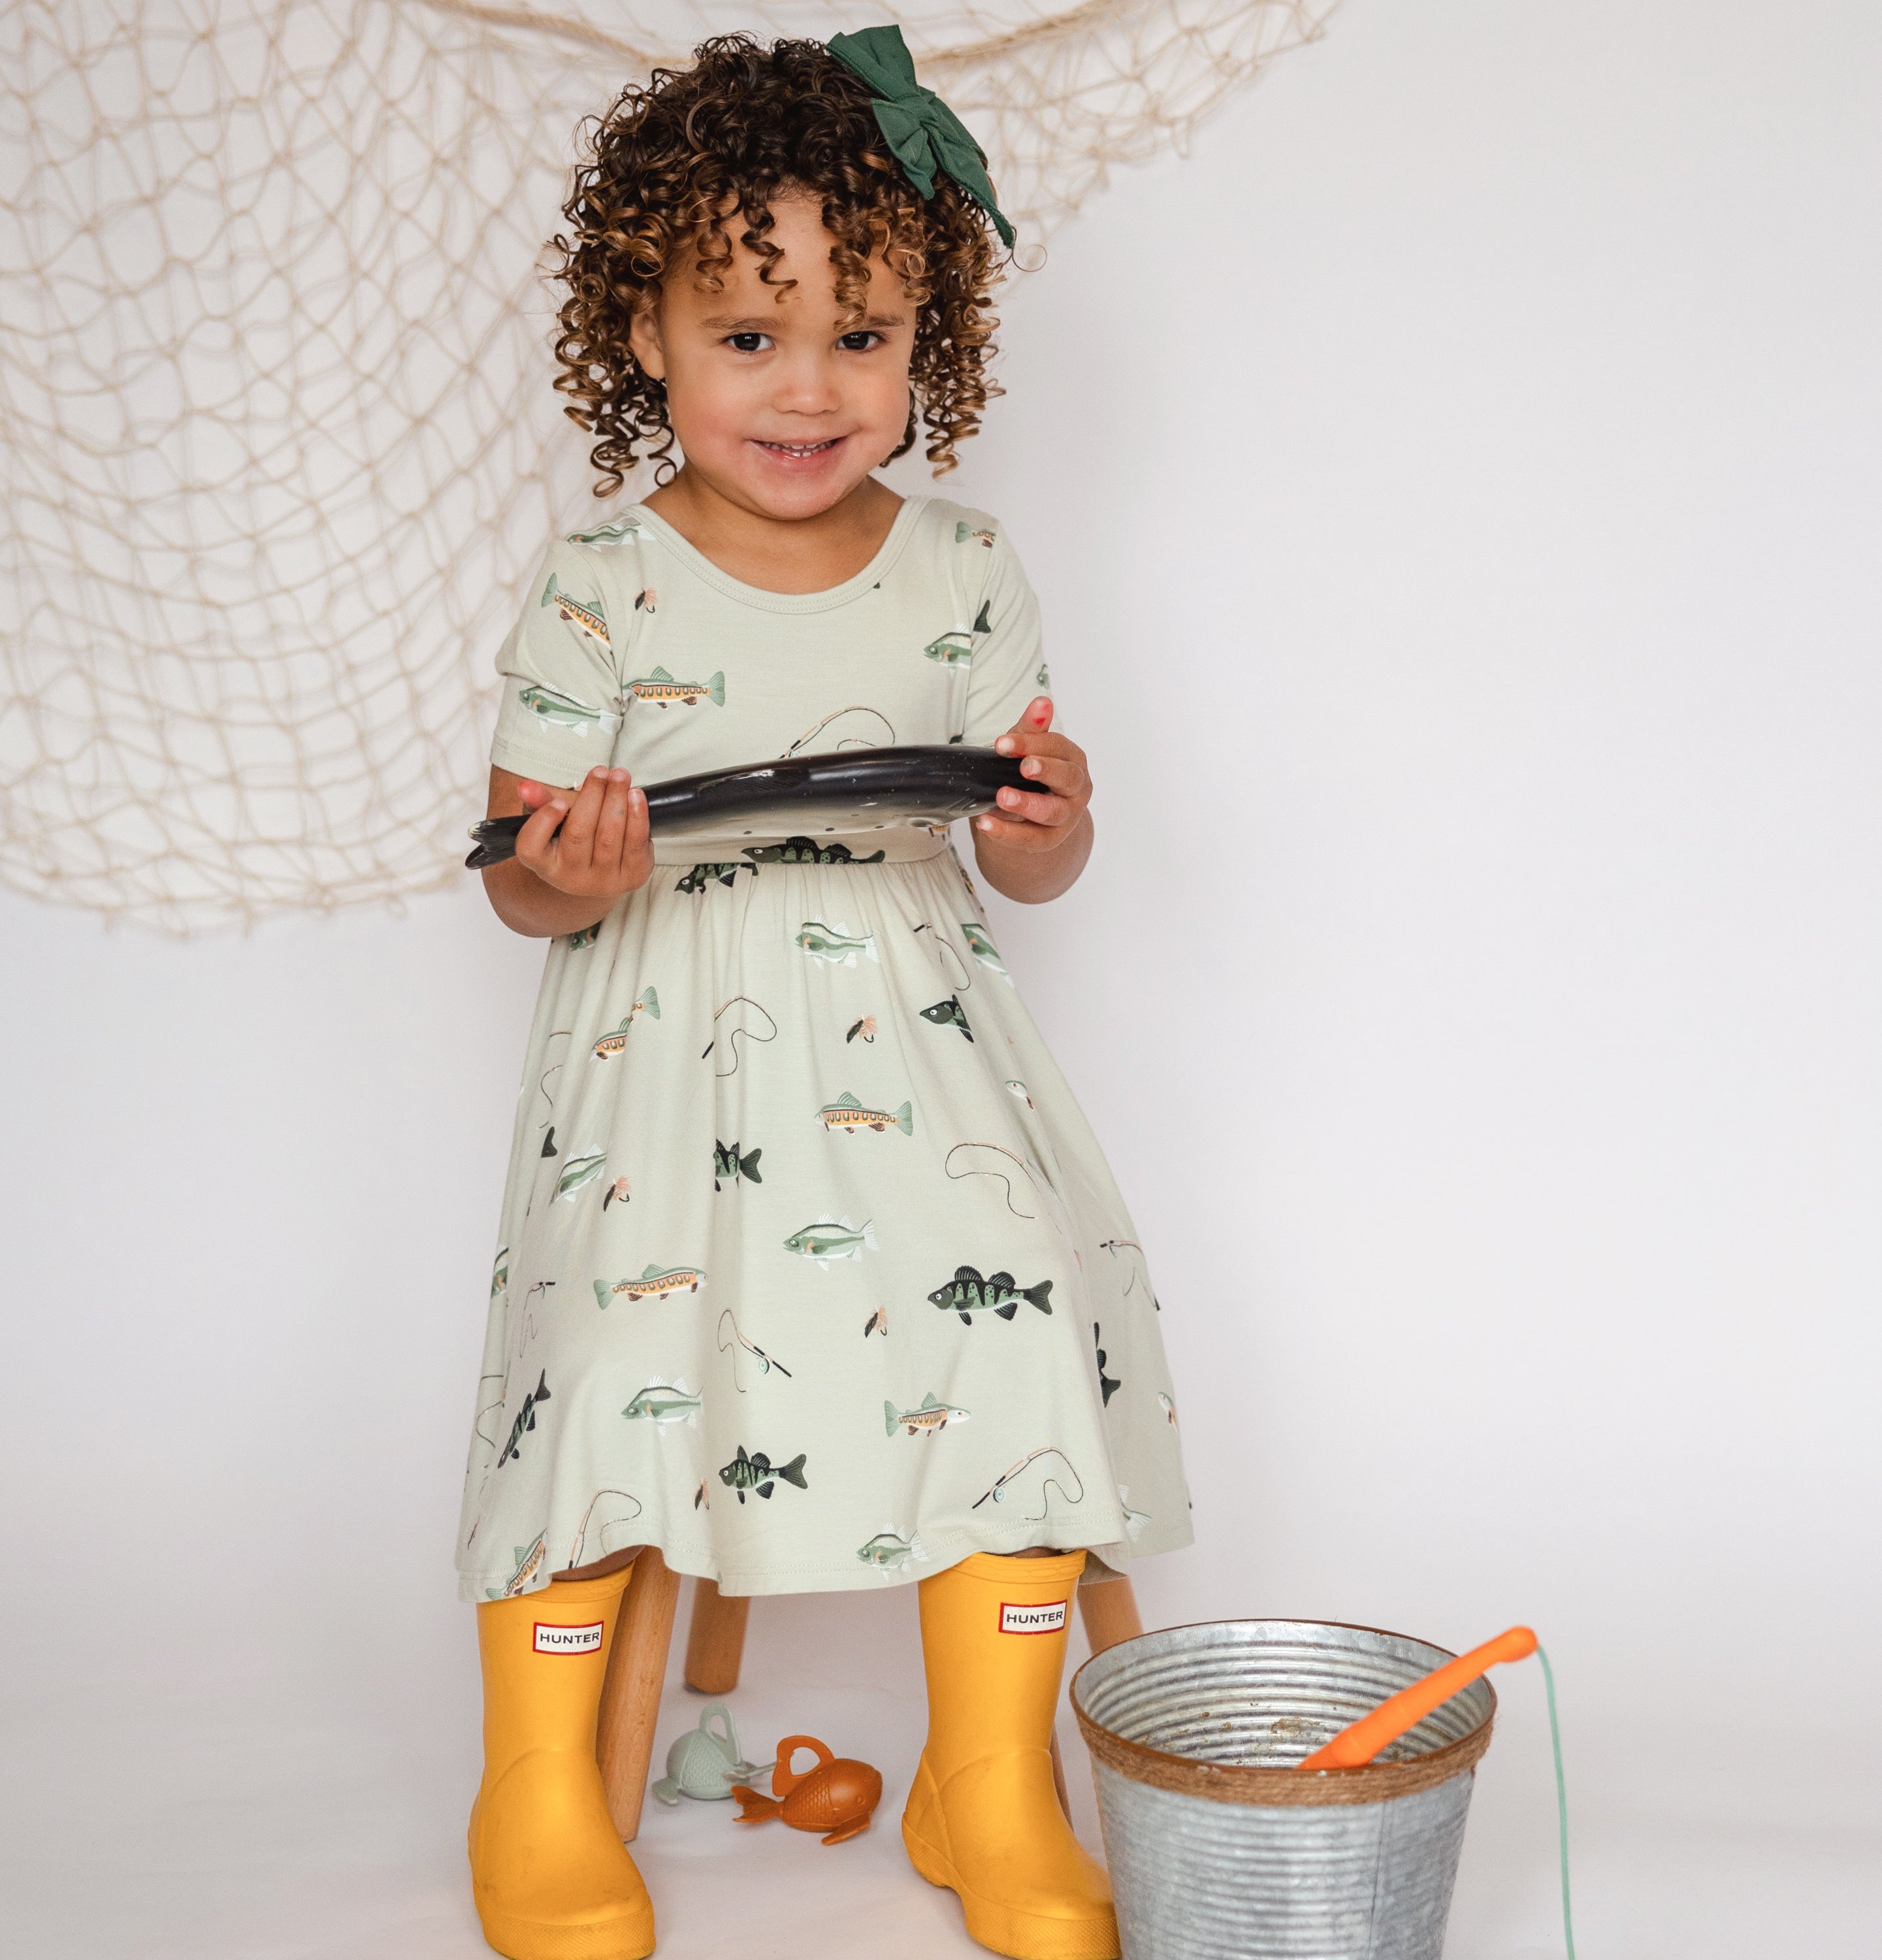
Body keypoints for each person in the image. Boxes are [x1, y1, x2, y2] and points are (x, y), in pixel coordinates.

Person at [457, 29, 1191, 1960]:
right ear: (647, 335)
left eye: (863, 336)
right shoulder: (601, 583)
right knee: (610, 1364)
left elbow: (1026, 860)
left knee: (1016, 1321)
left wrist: (1047, 823)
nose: (809, 388)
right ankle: (535, 1786)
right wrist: (570, 866)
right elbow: (519, 877)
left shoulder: (963, 567)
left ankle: (991, 1783)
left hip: (913, 1013)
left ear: (926, 345)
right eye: (751, 334)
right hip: (660, 1021)